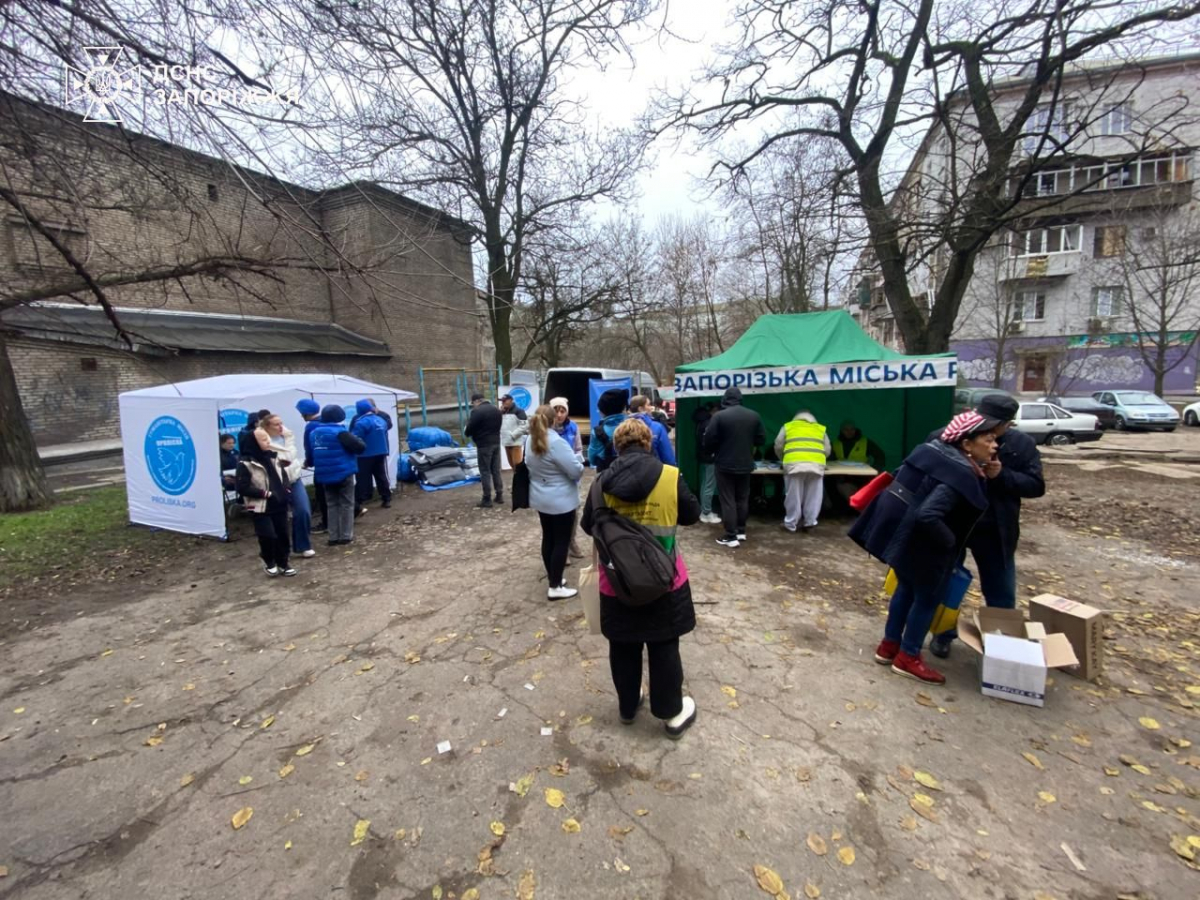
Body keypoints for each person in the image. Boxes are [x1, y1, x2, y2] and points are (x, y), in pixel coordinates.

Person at [849, 410, 999, 685]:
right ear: (966, 444)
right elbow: (928, 515)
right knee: (927, 599)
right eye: (988, 440)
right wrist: (950, 543)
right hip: (927, 546)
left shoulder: (930, 452)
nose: (994, 446)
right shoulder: (958, 473)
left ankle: (889, 646)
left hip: (903, 538)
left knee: (905, 590)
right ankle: (908, 656)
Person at [580, 418, 701, 739]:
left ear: (616, 445)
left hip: (617, 582)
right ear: (649, 442)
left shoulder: (600, 483)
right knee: (664, 645)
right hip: (665, 579)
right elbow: (692, 515)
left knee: (623, 645)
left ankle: (628, 705)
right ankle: (671, 714)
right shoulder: (671, 476)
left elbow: (587, 526)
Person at [930, 394, 1045, 658]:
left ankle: (1001, 647)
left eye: (996, 426)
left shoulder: (1021, 445)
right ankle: (943, 633)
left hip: (996, 529)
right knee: (947, 585)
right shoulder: (949, 435)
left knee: (1001, 591)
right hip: (954, 526)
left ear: (1007, 425)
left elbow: (1036, 485)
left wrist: (1002, 475)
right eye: (984, 422)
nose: (989, 430)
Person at [525, 405, 585, 600]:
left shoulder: (530, 439)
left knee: (549, 538)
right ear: (553, 420)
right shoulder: (557, 442)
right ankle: (555, 586)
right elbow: (575, 471)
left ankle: (554, 577)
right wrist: (578, 460)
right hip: (561, 500)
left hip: (541, 497)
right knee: (561, 541)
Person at [703, 386, 766, 548]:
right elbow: (761, 439)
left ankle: (731, 536)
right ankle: (741, 531)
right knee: (742, 498)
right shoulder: (754, 415)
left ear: (725, 399)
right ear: (740, 399)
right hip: (746, 463)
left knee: (728, 499)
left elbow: (708, 440)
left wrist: (714, 451)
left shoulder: (719, 416)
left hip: (724, 463)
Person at [235, 427, 296, 577]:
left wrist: (287, 490)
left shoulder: (274, 457)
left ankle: (283, 563)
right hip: (260, 507)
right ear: (253, 442)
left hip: (279, 504)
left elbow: (284, 476)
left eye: (268, 438)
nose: (268, 441)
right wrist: (265, 493)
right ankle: (269, 560)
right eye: (263, 439)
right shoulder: (245, 463)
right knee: (268, 535)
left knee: (282, 535)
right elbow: (242, 487)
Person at [261, 413, 315, 559]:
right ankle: (279, 550)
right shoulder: (262, 441)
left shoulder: (288, 436)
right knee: (278, 517)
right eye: (276, 424)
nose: (280, 426)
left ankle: (303, 545)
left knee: (303, 510)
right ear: (267, 426)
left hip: (294, 479)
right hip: (275, 483)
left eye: (281, 423)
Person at [311, 404, 366, 545]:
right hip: (343, 472)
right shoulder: (341, 433)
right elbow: (360, 448)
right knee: (347, 504)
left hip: (324, 474)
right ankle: (346, 536)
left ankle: (333, 537)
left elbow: (312, 453)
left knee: (331, 504)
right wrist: (358, 439)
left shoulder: (314, 433)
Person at [773, 409, 831, 533]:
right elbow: (827, 449)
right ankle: (810, 523)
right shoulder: (820, 428)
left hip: (794, 464)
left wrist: (783, 459)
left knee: (793, 496)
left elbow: (778, 445)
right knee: (814, 496)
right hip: (816, 465)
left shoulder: (788, 427)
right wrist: (820, 459)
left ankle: (790, 524)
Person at [830, 419, 888, 511]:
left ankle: (861, 508)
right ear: (841, 431)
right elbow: (829, 459)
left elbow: (880, 455)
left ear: (855, 429)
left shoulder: (866, 442)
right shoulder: (834, 443)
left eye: (852, 429)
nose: (849, 432)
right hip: (842, 475)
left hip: (862, 476)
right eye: (846, 429)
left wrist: (875, 470)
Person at [351, 399, 392, 509]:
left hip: (365, 454)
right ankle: (386, 498)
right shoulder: (381, 420)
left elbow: (354, 439)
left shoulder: (361, 422)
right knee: (381, 475)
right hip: (381, 452)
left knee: (363, 478)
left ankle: (359, 501)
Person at [465, 392, 504, 508]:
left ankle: (487, 499)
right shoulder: (496, 410)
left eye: (473, 403)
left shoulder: (477, 411)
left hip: (484, 445)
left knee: (485, 471)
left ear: (477, 401)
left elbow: (469, 429)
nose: (473, 405)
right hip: (496, 442)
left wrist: (469, 432)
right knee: (496, 470)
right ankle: (499, 495)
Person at [297, 398, 328, 534]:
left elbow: (310, 447)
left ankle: (326, 523)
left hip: (321, 465)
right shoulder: (327, 420)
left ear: (306, 413)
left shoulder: (311, 426)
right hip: (334, 463)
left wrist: (308, 462)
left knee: (322, 494)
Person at [587, 388, 629, 472]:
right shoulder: (633, 428)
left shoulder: (597, 432)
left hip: (606, 475)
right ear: (623, 408)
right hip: (629, 474)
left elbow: (592, 459)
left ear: (602, 411)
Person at [693, 401, 720, 524]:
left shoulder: (702, 422)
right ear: (714, 410)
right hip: (710, 458)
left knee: (705, 484)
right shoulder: (709, 423)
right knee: (709, 486)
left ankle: (704, 510)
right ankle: (706, 513)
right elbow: (710, 442)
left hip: (704, 457)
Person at [628, 395, 676, 464]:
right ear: (640, 409)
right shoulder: (657, 427)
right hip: (655, 469)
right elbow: (668, 458)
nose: (651, 407)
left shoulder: (623, 428)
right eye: (648, 405)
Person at [499, 394, 529, 468]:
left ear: (511, 400)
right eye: (502, 401)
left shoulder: (519, 411)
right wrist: (500, 413)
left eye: (505, 401)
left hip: (515, 443)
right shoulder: (502, 412)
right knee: (512, 465)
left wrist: (513, 435)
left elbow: (525, 426)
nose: (503, 403)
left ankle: (521, 476)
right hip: (506, 443)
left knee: (518, 466)